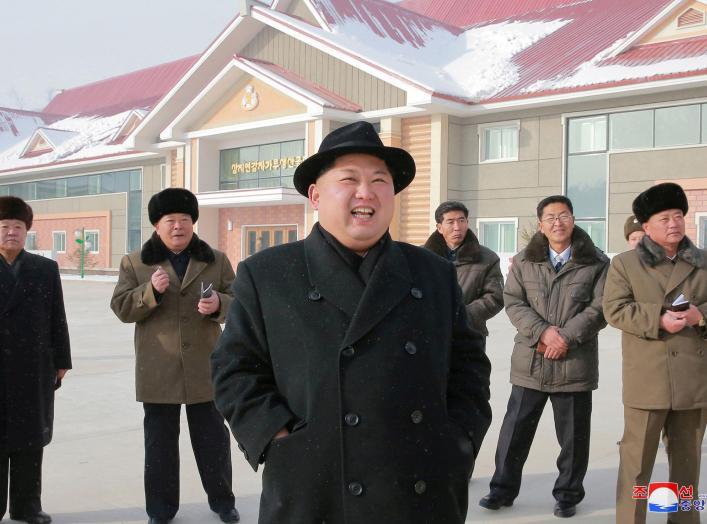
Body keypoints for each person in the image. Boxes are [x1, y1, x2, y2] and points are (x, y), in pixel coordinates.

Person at [211, 121, 492, 524]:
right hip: (315, 489)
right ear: (315, 194)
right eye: (350, 179)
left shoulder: (432, 273)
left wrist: (458, 439)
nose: (367, 192)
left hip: (419, 485)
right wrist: (280, 439)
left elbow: (469, 366)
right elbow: (233, 370)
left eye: (380, 180)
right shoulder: (268, 274)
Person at [110, 188, 239, 524]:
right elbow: (121, 308)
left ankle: (223, 502)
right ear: (157, 225)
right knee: (160, 447)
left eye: (184, 220)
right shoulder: (135, 262)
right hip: (158, 369)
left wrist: (219, 306)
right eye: (171, 221)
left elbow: (240, 302)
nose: (178, 226)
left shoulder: (216, 259)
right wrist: (149, 291)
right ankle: (161, 510)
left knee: (213, 441)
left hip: (205, 367)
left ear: (193, 223)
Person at [479, 195, 609, 519]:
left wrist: (565, 336)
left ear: (573, 219)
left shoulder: (596, 262)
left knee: (573, 438)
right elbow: (513, 302)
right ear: (540, 225)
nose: (557, 223)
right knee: (514, 433)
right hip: (531, 361)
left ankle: (567, 495)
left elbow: (601, 307)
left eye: (563, 215)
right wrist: (543, 332)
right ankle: (501, 490)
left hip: (574, 363)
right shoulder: (524, 261)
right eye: (550, 217)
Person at [603, 182, 707, 524]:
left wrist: (700, 316)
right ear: (645, 227)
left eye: (678, 216)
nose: (674, 223)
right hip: (647, 380)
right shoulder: (626, 264)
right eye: (664, 218)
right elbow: (614, 309)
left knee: (687, 468)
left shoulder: (703, 263)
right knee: (637, 467)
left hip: (693, 382)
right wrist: (657, 318)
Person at [0, 196, 71, 524]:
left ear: (27, 231)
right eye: (4, 226)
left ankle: (27, 506)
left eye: (17, 227)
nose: (11, 232)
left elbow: (58, 316)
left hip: (33, 368)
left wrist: (62, 360)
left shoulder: (44, 269)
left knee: (31, 440)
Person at [423, 201, 504, 338]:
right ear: (439, 227)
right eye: (450, 222)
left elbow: (495, 297)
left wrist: (462, 316)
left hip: (469, 334)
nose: (457, 227)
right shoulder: (421, 257)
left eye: (461, 221)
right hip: (429, 334)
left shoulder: (487, 258)